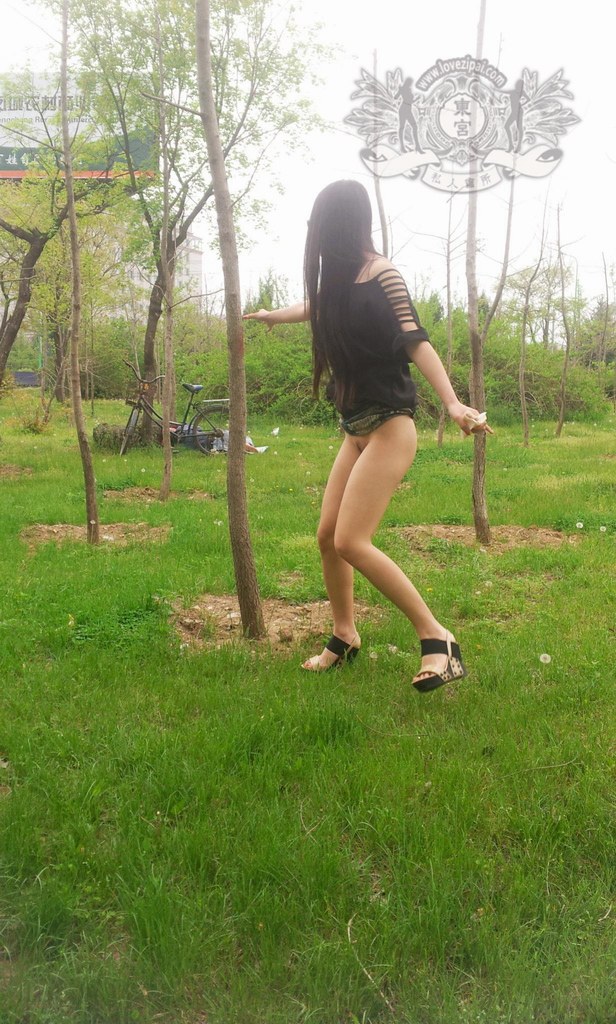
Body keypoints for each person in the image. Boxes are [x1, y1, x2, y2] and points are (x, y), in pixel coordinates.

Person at [244, 179, 492, 692]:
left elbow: (414, 340)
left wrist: (452, 403)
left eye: (317, 222)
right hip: (354, 429)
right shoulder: (337, 281)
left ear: (336, 223)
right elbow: (315, 307)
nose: (312, 231)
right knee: (327, 538)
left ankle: (438, 639)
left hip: (390, 426)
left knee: (351, 541)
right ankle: (345, 636)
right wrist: (274, 316)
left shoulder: (383, 273)